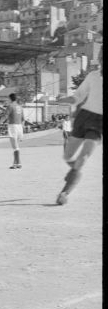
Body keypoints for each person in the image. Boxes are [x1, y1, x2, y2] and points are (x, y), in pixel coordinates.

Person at [55, 47, 102, 206]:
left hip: (100, 122)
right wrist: (62, 100)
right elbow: (77, 97)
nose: (102, 58)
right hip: (84, 116)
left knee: (84, 156)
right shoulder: (92, 76)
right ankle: (76, 173)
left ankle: (65, 193)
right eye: (101, 55)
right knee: (67, 156)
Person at [0, 93, 25, 169]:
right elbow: (23, 119)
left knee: (15, 147)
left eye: (8, 98)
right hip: (19, 126)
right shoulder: (20, 107)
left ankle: (18, 163)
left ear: (10, 98)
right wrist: (21, 130)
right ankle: (16, 164)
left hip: (13, 126)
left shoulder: (10, 106)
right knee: (16, 146)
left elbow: (5, 116)